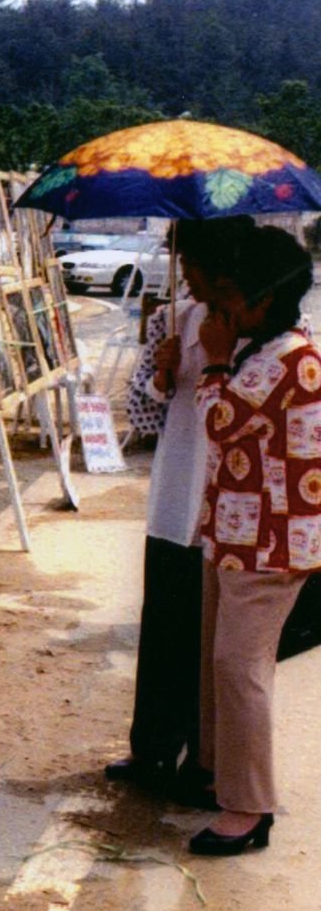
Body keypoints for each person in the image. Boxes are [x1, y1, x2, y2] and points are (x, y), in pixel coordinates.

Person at [187, 224, 320, 855]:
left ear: (263, 301)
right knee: (223, 661)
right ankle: (220, 774)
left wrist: (212, 359)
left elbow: (221, 422)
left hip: (269, 543)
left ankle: (248, 808)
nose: (221, 310)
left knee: (240, 670)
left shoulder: (288, 359)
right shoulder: (270, 350)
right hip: (242, 535)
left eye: (230, 298)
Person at [106, 218, 249, 801]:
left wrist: (219, 358)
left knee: (212, 638)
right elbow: (144, 416)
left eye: (189, 258)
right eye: (178, 257)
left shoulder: (260, 327)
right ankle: (153, 749)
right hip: (174, 492)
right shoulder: (174, 318)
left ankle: (206, 759)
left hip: (226, 505)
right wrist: (163, 372)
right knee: (164, 623)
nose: (183, 270)